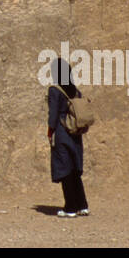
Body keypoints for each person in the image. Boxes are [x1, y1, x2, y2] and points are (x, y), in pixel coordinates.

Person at [47, 57, 90, 217]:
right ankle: (82, 205)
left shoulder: (55, 90)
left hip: (63, 133)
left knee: (65, 170)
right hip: (76, 135)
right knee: (74, 170)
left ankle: (70, 207)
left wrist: (50, 130)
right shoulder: (75, 90)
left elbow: (53, 115)